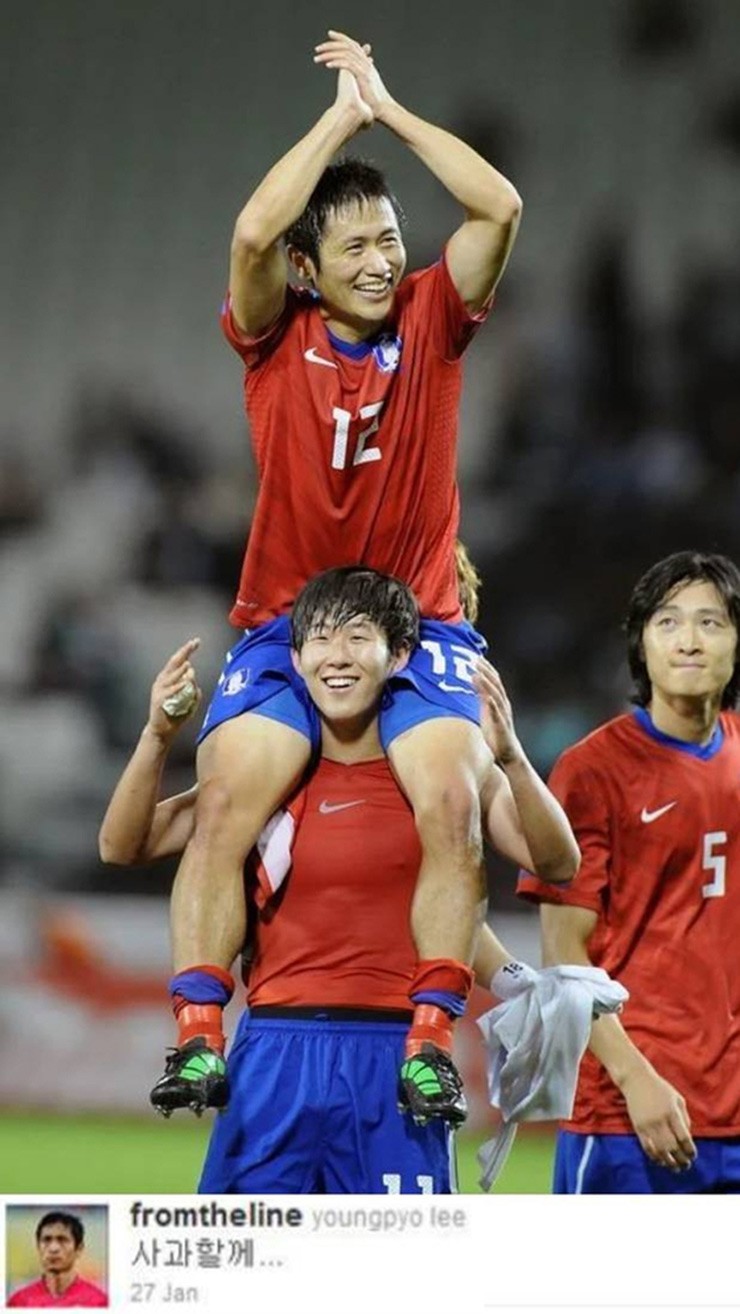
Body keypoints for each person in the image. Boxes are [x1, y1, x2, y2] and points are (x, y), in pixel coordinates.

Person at [160, 30, 523, 1120]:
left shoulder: (434, 318)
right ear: (308, 272)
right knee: (224, 804)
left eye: (390, 238)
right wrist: (337, 120)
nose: (379, 260)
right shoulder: (275, 338)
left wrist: (392, 111)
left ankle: (430, 1043)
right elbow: (252, 232)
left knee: (450, 802)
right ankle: (197, 1036)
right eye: (353, 244)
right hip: (287, 624)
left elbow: (498, 206)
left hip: (422, 627)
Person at [100, 566, 577, 1190]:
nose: (338, 658)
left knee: (396, 1256)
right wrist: (157, 736)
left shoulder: (441, 781)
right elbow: (122, 844)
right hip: (274, 1049)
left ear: (400, 656)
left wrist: (511, 757)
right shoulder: (267, 778)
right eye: (321, 639)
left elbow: (557, 862)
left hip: (401, 1056)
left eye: (357, 637)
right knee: (247, 1249)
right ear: (295, 658)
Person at [518, 550, 740, 1193]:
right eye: (668, 623)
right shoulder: (593, 771)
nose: (689, 641)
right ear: (640, 645)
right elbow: (564, 956)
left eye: (711, 622)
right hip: (626, 1115)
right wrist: (635, 1079)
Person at [7, 1212, 107, 1308]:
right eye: (47, 1240)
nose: (53, 1248)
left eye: (62, 1240)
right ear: (38, 1247)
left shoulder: (99, 1302)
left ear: (79, 1249)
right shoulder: (19, 1302)